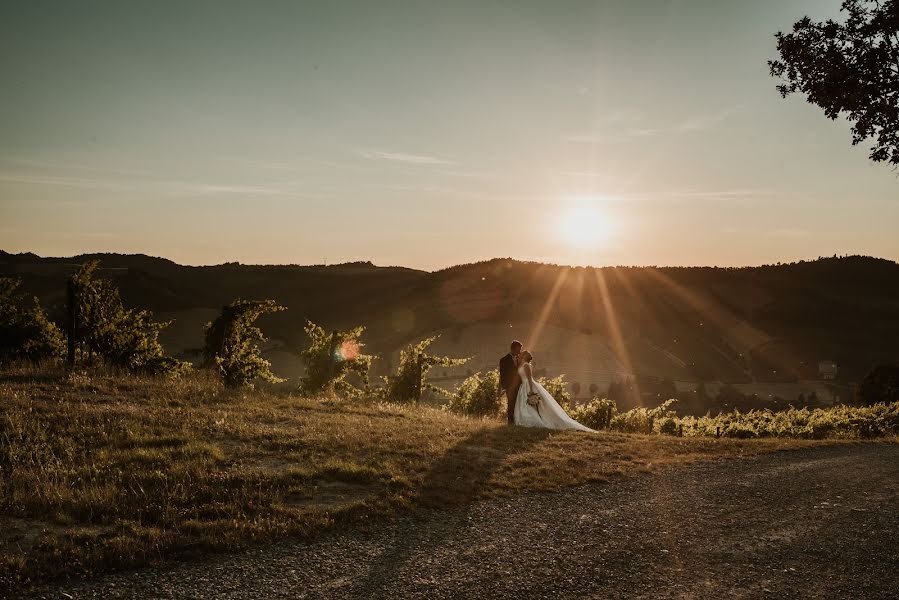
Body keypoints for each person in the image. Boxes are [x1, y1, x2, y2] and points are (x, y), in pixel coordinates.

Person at [513, 350, 595, 432]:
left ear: (524, 356)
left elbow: (530, 379)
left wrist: (531, 390)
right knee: (525, 404)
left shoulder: (526, 365)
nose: (519, 355)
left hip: (527, 385)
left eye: (521, 355)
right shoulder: (522, 365)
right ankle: (525, 418)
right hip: (523, 386)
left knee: (531, 404)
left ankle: (533, 419)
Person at [498, 340, 522, 424]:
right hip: (509, 387)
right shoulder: (503, 360)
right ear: (513, 349)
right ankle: (510, 422)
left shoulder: (520, 359)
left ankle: (518, 421)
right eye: (519, 349)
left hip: (520, 386)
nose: (520, 351)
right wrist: (503, 388)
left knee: (519, 403)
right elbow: (502, 375)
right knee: (511, 404)